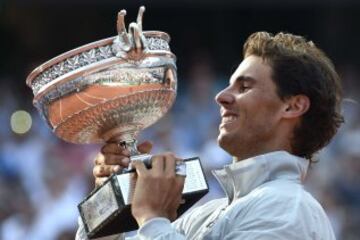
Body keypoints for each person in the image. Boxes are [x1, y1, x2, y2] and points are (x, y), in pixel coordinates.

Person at [76, 31, 343, 239]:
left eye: (245, 86)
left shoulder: (289, 210)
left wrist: (153, 218)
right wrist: (108, 200)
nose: (221, 96)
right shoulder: (207, 214)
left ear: (292, 106)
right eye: (229, 85)